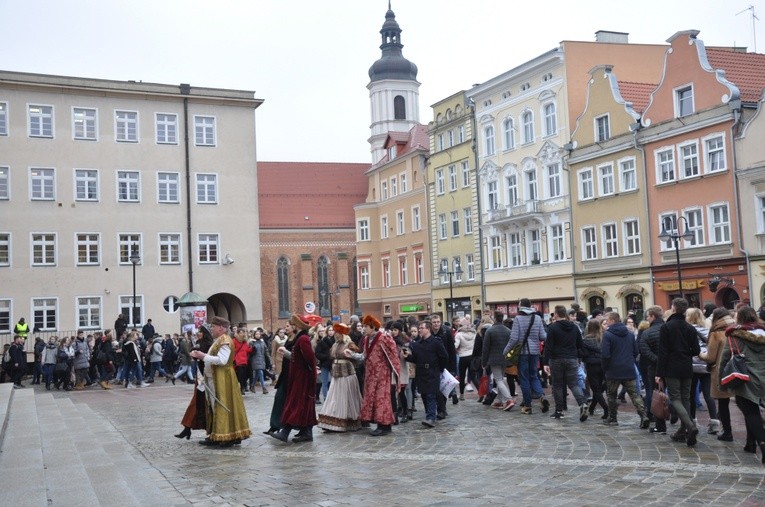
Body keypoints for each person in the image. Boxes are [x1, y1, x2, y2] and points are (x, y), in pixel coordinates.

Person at [191, 316, 251, 447]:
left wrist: (203, 356)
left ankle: (224, 436)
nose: (211, 329)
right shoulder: (219, 340)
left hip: (223, 378)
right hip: (217, 377)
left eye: (213, 327)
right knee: (217, 405)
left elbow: (222, 360)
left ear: (221, 328)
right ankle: (219, 434)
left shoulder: (225, 341)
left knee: (221, 405)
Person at [721, 306, 765, 463]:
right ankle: (750, 442)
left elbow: (725, 357)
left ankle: (761, 442)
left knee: (749, 410)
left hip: (746, 378)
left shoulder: (734, 335)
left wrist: (722, 380)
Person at [347, 315, 402, 436]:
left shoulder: (384, 338)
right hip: (370, 375)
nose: (364, 329)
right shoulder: (366, 340)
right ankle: (380, 424)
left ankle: (384, 425)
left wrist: (395, 373)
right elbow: (364, 356)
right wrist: (351, 355)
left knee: (382, 399)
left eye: (366, 326)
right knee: (374, 399)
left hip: (382, 375)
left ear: (372, 327)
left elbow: (393, 355)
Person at [657, 298, 701, 446]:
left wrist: (659, 373)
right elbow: (696, 350)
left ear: (673, 308)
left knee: (675, 398)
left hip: (671, 367)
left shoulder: (666, 327)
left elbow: (662, 352)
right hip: (687, 366)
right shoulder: (690, 328)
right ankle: (683, 430)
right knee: (686, 398)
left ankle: (690, 426)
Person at [270, 314, 317, 443]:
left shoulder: (303, 339)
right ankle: (307, 432)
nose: (292, 326)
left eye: (294, 324)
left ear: (298, 326)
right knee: (302, 404)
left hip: (302, 378)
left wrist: (309, 376)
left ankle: (285, 432)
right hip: (299, 377)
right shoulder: (300, 338)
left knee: (296, 404)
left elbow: (310, 360)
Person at [601, 311, 649, 429]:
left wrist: (605, 368)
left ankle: (613, 418)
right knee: (634, 395)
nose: (606, 322)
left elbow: (605, 354)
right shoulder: (630, 334)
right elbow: (636, 351)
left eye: (607, 320)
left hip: (613, 369)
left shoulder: (608, 335)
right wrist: (629, 360)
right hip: (628, 368)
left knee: (611, 394)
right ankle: (644, 416)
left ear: (612, 320)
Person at [504, 299, 549, 415]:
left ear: (520, 306)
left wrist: (506, 351)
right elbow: (543, 336)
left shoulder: (518, 319)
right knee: (534, 376)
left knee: (524, 378)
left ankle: (528, 405)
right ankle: (541, 397)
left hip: (522, 353)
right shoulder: (537, 318)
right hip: (534, 352)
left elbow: (514, 338)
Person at [544, 305, 588, 421]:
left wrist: (545, 363)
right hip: (571, 359)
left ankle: (559, 411)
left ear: (557, 314)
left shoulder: (553, 328)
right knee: (573, 384)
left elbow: (548, 346)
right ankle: (582, 403)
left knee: (558, 385)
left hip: (557, 359)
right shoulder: (574, 327)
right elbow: (580, 345)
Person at [317, 323, 363, 432]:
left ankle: (349, 420)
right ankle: (332, 421)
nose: (335, 334)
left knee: (347, 397)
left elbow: (358, 356)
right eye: (335, 332)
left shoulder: (349, 343)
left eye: (338, 332)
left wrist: (350, 353)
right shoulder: (334, 344)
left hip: (347, 374)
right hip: (336, 373)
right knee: (334, 396)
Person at [700, 307, 736, 441]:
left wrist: (699, 354)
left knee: (723, 402)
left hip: (721, 371)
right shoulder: (736, 329)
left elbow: (710, 357)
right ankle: (752, 438)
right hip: (739, 369)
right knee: (746, 404)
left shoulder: (716, 333)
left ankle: (727, 432)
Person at [405, 320, 448, 427]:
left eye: (421, 328)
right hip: (421, 372)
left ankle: (431, 417)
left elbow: (444, 357)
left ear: (428, 329)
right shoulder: (418, 344)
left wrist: (439, 368)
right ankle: (429, 414)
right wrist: (407, 357)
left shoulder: (436, 342)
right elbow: (415, 358)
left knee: (430, 395)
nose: (419, 330)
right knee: (424, 395)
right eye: (419, 328)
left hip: (432, 372)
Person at [175, 325, 214, 440]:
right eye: (198, 331)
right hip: (200, 377)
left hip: (206, 377)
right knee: (195, 404)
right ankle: (187, 428)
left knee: (202, 404)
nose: (198, 333)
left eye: (201, 332)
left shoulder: (208, 344)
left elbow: (207, 358)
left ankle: (206, 430)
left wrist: (197, 355)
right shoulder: (199, 342)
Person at [686, 307, 718, 434]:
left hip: (692, 365)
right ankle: (714, 422)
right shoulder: (708, 330)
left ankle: (693, 421)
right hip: (705, 364)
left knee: (691, 394)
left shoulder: (688, 330)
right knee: (708, 395)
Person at [639, 306, 667, 433]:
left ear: (653, 316)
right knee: (674, 393)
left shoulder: (647, 333)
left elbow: (644, 350)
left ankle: (660, 424)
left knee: (657, 394)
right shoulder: (668, 329)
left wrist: (656, 360)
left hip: (654, 368)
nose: (647, 319)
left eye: (648, 317)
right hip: (671, 366)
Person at [481, 311, 515, 411]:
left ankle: (508, 399)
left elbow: (485, 348)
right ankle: (500, 400)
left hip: (494, 359)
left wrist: (484, 362)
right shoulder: (508, 330)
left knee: (498, 379)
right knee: (500, 378)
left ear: (494, 318)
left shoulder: (490, 331)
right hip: (505, 359)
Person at [581, 318, 608, 419]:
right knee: (599, 388)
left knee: (596, 389)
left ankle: (606, 408)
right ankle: (592, 407)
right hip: (603, 365)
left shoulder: (585, 340)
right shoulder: (604, 338)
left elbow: (584, 354)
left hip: (591, 366)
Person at [454, 317, 476, 401]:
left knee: (462, 376)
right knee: (473, 376)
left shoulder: (459, 334)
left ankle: (462, 395)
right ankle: (481, 393)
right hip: (472, 356)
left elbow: (455, 346)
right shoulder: (474, 334)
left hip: (463, 357)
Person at [249, 329, 269, 394]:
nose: (258, 335)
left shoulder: (262, 342)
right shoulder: (252, 342)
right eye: (256, 334)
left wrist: (269, 359)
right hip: (255, 359)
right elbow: (249, 351)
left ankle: (252, 386)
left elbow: (266, 350)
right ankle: (264, 388)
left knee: (258, 373)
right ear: (254, 335)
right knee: (260, 372)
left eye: (259, 334)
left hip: (262, 359)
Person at [232, 329, 251, 395]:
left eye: (243, 332)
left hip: (244, 361)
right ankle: (241, 388)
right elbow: (232, 351)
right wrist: (233, 359)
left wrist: (252, 349)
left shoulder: (245, 342)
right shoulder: (234, 341)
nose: (242, 334)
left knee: (244, 376)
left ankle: (243, 387)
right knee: (239, 376)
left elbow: (246, 350)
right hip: (237, 361)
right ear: (237, 333)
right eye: (240, 333)